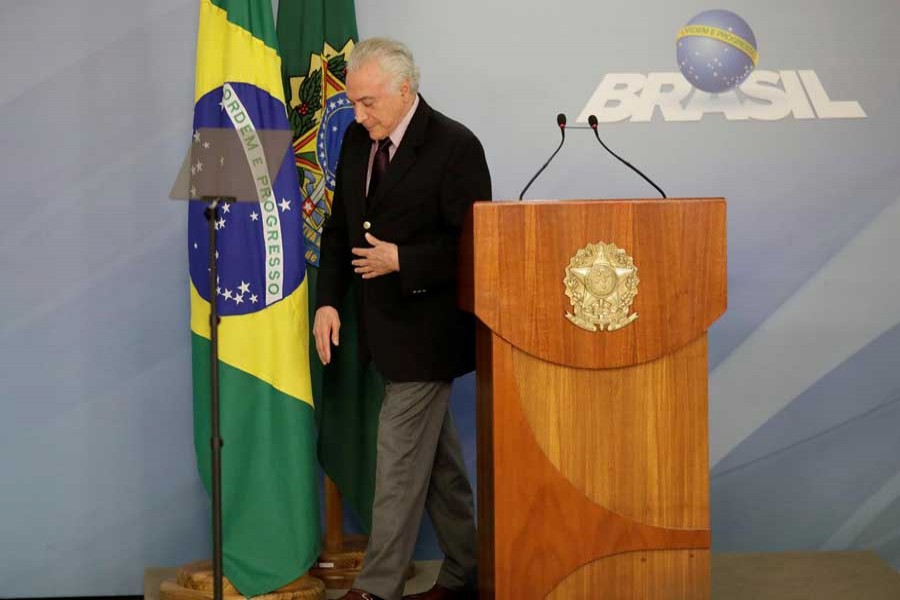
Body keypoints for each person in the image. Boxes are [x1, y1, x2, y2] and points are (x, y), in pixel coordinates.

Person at [313, 38, 491, 600]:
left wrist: (402, 259)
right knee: (439, 468)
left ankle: (376, 587)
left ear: (405, 89)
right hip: (376, 329)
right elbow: (340, 228)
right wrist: (327, 301)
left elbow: (474, 246)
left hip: (428, 333)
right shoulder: (352, 138)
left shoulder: (455, 146)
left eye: (367, 102)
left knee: (395, 462)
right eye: (354, 102)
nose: (358, 114)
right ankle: (468, 571)